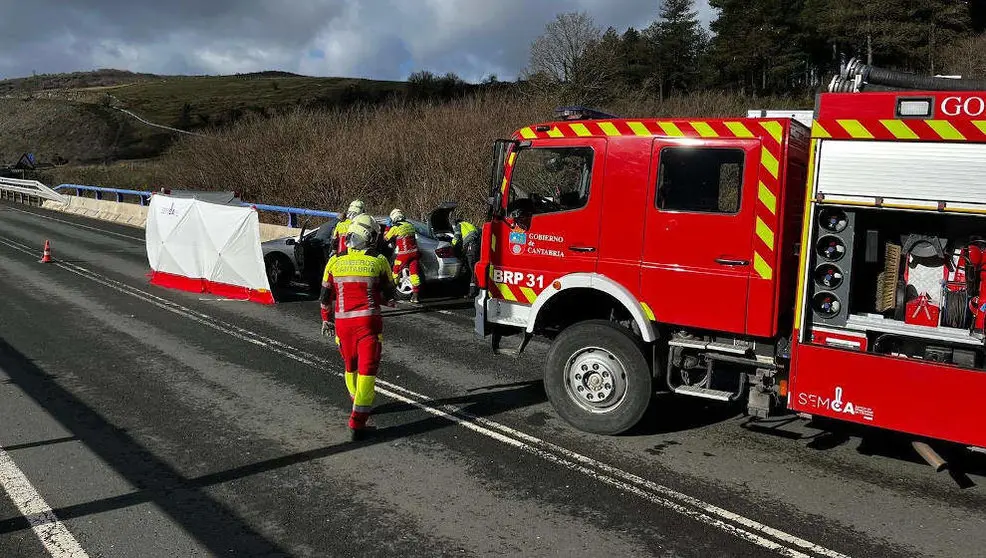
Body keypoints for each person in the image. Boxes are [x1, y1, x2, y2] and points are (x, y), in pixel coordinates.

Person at [320, 213, 396, 440]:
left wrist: (326, 319)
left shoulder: (334, 261)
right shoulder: (378, 261)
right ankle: (357, 422)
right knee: (367, 372)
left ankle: (356, 402)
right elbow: (390, 294)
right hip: (368, 326)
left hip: (343, 326)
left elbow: (325, 297)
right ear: (369, 237)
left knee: (350, 366)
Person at [384, 208, 421, 304]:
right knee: (414, 273)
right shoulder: (410, 225)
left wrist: (388, 227)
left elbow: (386, 238)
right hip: (415, 253)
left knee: (396, 272)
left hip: (403, 254)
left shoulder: (396, 227)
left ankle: (391, 294)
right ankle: (415, 296)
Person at [452, 218, 480, 297]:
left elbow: (456, 237)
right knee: (473, 267)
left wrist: (452, 246)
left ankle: (473, 292)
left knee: (471, 269)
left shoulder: (459, 225)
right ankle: (475, 289)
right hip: (477, 246)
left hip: (470, 246)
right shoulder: (470, 225)